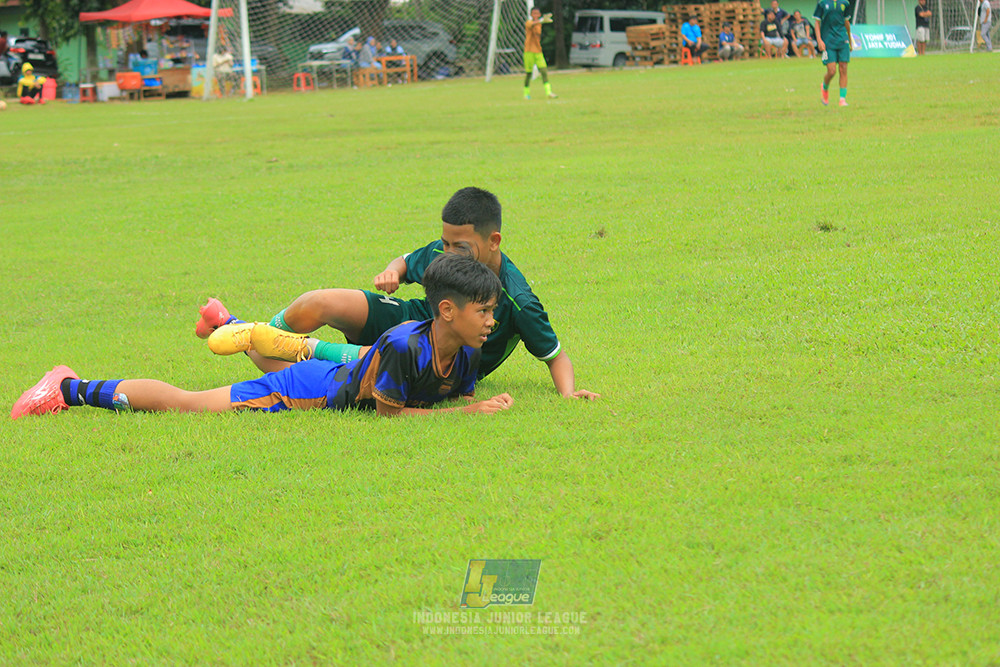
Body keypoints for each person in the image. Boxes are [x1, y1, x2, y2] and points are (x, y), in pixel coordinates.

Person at [195, 187, 600, 400]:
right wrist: (392, 270)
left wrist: (567, 394)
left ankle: (235, 327)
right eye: (444, 242)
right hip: (407, 321)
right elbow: (409, 260)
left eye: (459, 245)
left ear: (493, 241)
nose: (446, 252)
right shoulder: (447, 254)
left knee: (308, 376)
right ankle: (255, 330)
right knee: (319, 301)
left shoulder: (517, 301)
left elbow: (554, 354)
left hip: (432, 358)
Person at [11, 254, 514, 420]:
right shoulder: (407, 345)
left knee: (288, 361)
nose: (492, 322)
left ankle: (229, 324)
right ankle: (67, 389)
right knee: (191, 404)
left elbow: (451, 394)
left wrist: (470, 404)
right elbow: (390, 415)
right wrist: (469, 415)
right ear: (446, 311)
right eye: (485, 311)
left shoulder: (467, 350)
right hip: (314, 391)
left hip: (334, 375)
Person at [814, 0, 853, 106]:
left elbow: (846, 22)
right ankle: (825, 87)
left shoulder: (845, 3)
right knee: (831, 71)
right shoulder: (822, 3)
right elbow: (817, 23)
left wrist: (850, 40)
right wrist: (819, 40)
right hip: (828, 41)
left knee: (843, 68)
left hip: (842, 39)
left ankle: (842, 99)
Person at [523, 7, 556, 100]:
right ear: (531, 14)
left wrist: (540, 22)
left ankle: (549, 92)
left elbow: (537, 32)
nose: (535, 15)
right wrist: (541, 21)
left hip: (538, 51)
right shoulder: (528, 22)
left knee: (544, 72)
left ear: (540, 14)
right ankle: (526, 93)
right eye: (534, 13)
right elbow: (530, 25)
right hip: (528, 51)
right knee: (528, 74)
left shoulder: (539, 25)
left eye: (537, 13)